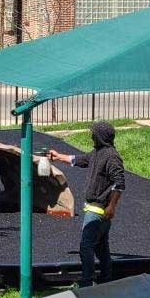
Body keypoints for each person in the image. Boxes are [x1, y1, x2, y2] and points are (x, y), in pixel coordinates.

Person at [48, 121, 126, 287]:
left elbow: (119, 183)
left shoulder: (112, 157)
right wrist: (58, 157)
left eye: (93, 134)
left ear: (101, 137)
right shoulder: (97, 152)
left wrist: (112, 206)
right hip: (96, 210)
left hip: (98, 211)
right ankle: (106, 280)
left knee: (86, 247)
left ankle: (86, 282)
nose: (91, 136)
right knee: (101, 248)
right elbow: (81, 160)